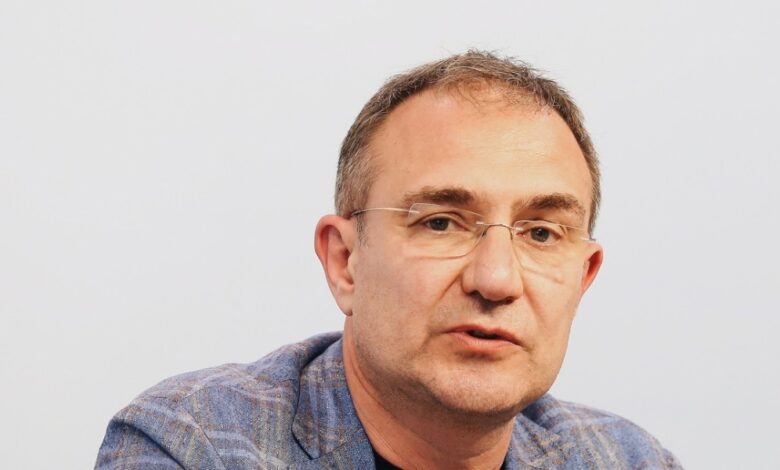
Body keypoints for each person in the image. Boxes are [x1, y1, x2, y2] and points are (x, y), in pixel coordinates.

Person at [95, 50, 682, 469]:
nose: (497, 279)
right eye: (441, 222)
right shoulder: (193, 444)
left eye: (542, 233)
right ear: (345, 261)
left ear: (583, 279)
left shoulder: (631, 460)